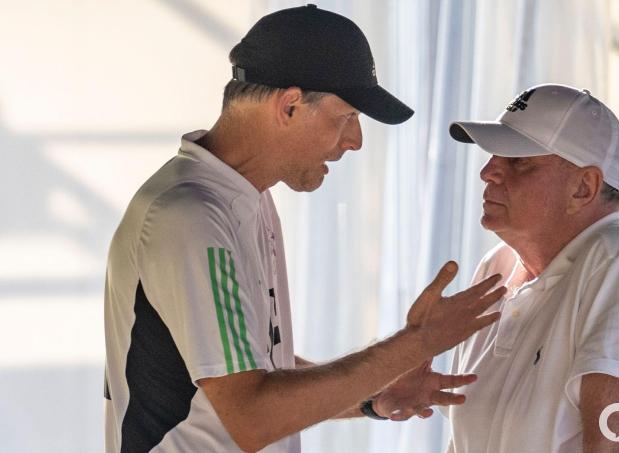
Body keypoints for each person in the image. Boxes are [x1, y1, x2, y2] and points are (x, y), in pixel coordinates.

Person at [103, 5, 505, 453]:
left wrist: (372, 396)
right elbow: (252, 414)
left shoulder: (246, 198)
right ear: (289, 105)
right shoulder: (191, 215)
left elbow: (250, 366)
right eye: (346, 117)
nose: (355, 140)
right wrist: (417, 343)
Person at [444, 84, 619, 452]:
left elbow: (616, 443)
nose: (489, 171)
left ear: (584, 187)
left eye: (519, 161)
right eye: (494, 156)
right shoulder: (496, 269)